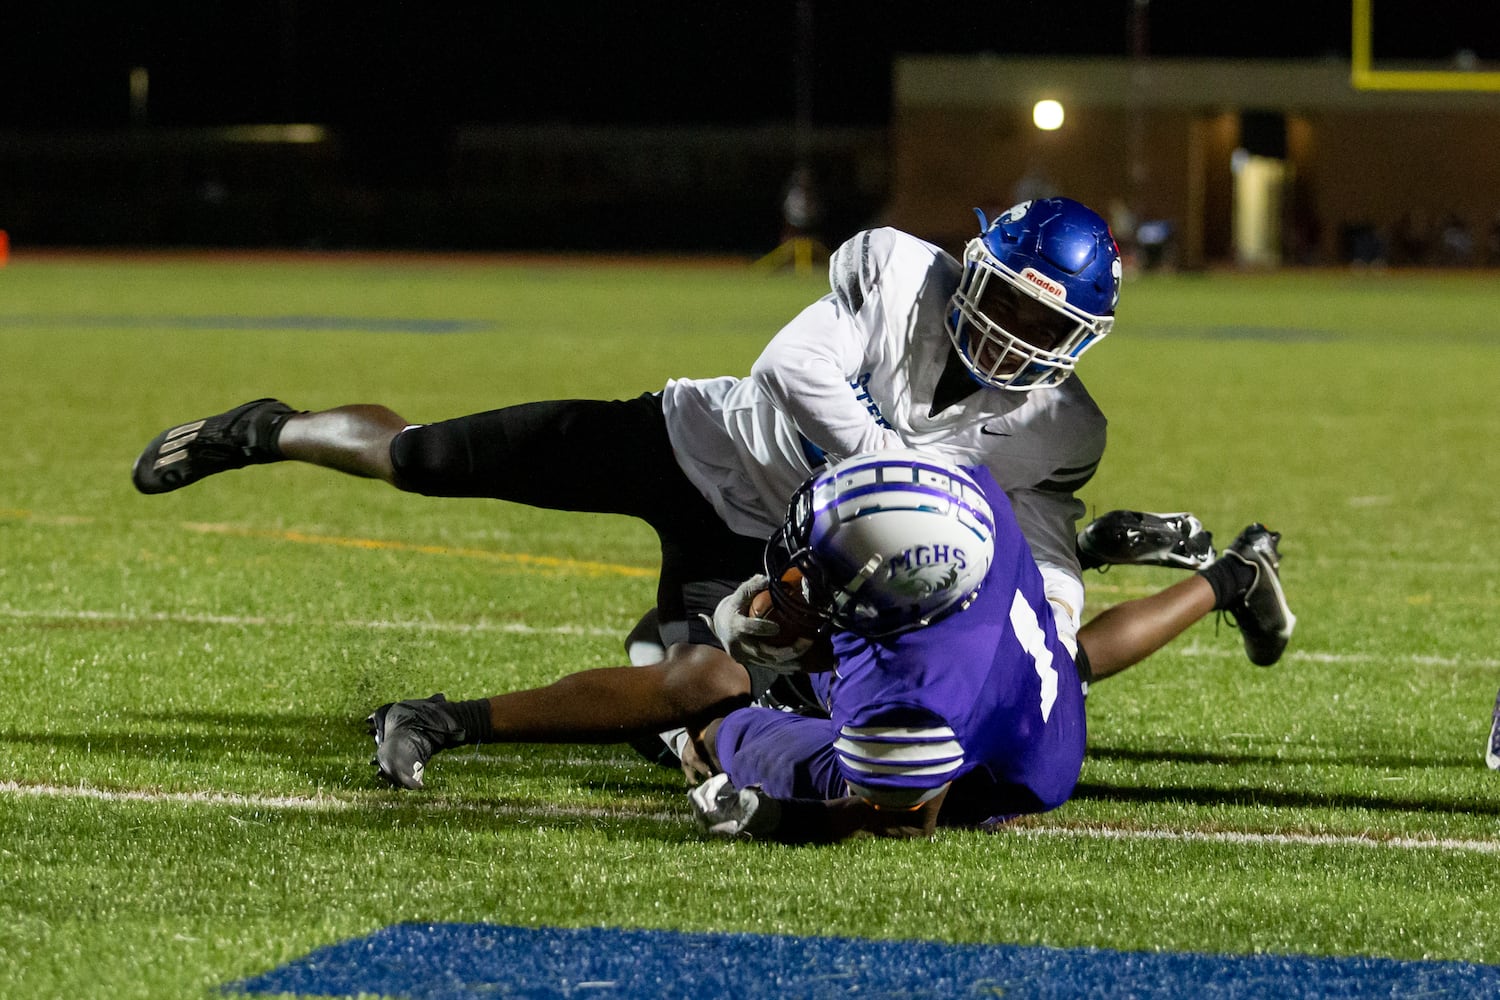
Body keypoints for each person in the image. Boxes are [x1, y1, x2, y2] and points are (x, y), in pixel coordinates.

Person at [129, 198, 1290, 789]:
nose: (1012, 331)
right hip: (689, 438)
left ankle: (512, 708)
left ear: (1080, 339)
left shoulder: (1063, 424)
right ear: (974, 261)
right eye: (1009, 299)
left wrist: (1053, 610)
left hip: (770, 547)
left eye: (1047, 325)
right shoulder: (897, 267)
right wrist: (897, 472)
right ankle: (268, 429)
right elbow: (793, 370)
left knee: (689, 689)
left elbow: (1033, 542)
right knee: (426, 459)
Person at [681, 450, 1290, 842]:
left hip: (991, 775)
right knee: (1059, 654)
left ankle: (709, 731)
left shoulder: (911, 704)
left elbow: (892, 825)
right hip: (1034, 690)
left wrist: (770, 818)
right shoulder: (965, 504)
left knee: (735, 734)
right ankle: (1235, 575)